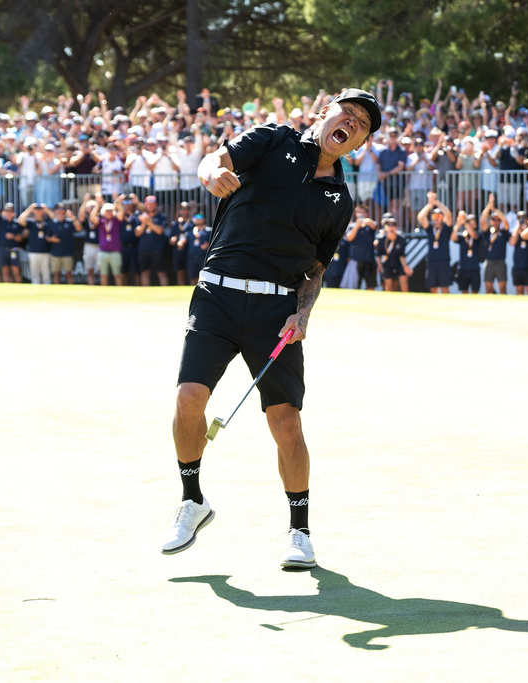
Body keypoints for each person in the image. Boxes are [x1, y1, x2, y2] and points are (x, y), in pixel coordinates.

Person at [162, 87, 380, 569]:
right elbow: (215, 159)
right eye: (347, 113)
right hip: (216, 295)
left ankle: (299, 532)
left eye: (362, 125)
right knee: (188, 398)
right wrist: (213, 173)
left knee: (285, 422)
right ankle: (193, 499)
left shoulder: (338, 199)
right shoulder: (272, 139)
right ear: (326, 113)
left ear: (359, 143)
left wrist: (301, 317)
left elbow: (316, 269)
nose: (352, 123)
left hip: (275, 312)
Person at [416, 192, 454, 293]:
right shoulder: (430, 228)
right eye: (434, 216)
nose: (436, 218)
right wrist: (430, 204)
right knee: (433, 287)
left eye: (439, 216)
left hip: (443, 261)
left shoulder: (446, 229)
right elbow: (421, 217)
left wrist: (436, 202)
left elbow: (448, 214)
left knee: (445, 286)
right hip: (432, 260)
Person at [0, 191, 24, 284]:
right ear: (4, 212)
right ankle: (8, 290)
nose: (9, 213)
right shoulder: (1, 221)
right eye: (7, 211)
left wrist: (13, 237)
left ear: (14, 213)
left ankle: (19, 290)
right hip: (2, 250)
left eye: (11, 211)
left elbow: (21, 238)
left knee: (16, 272)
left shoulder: (17, 223)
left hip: (13, 250)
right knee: (5, 271)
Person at [341, 206, 378, 290]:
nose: (361, 214)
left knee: (371, 285)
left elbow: (374, 226)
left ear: (367, 214)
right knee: (354, 285)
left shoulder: (370, 224)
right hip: (356, 260)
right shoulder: (352, 226)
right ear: (355, 214)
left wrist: (365, 221)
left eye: (363, 212)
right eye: (359, 212)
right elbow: (349, 238)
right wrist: (357, 226)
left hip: (370, 260)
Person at [19, 203, 53, 285]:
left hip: (46, 252)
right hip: (33, 252)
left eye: (40, 210)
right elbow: (20, 220)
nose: (39, 212)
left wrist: (47, 210)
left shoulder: (47, 222)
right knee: (35, 275)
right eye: (37, 210)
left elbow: (55, 219)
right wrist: (30, 209)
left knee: (46, 275)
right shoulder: (31, 222)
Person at [375, 215, 412, 291]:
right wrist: (379, 265)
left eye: (393, 225)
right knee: (388, 286)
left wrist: (405, 267)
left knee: (404, 285)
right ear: (385, 227)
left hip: (398, 264)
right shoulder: (381, 240)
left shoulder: (401, 239)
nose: (391, 228)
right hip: (387, 265)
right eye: (388, 225)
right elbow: (378, 255)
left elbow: (402, 255)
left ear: (396, 227)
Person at [480, 198, 509, 294]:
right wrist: (489, 206)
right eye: (493, 219)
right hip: (489, 262)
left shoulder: (503, 233)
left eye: (498, 220)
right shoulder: (487, 233)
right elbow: (482, 220)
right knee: (488, 288)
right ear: (490, 221)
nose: (496, 221)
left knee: (502, 288)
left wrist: (495, 209)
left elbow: (505, 221)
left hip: (500, 262)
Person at [451, 211, 483, 294]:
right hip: (463, 269)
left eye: (472, 222)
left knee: (474, 292)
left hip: (474, 269)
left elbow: (474, 235)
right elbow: (453, 237)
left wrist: (464, 222)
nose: (470, 224)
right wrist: (458, 223)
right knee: (464, 291)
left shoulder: (478, 234)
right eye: (469, 222)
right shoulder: (462, 236)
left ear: (475, 224)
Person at [47, 202, 78, 284]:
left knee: (69, 273)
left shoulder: (69, 222)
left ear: (65, 211)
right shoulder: (51, 223)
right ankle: (56, 292)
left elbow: (79, 229)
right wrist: (51, 239)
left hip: (67, 252)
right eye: (58, 209)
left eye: (62, 209)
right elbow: (46, 237)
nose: (60, 211)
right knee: (56, 274)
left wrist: (73, 218)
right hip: (55, 252)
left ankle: (71, 292)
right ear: (55, 211)